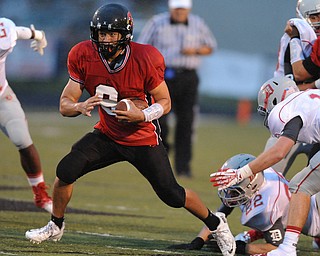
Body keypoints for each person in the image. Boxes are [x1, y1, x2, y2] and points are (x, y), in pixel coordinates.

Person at [24, 4, 235, 256]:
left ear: (125, 33)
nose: (106, 39)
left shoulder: (145, 57)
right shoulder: (82, 54)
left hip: (141, 138)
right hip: (108, 133)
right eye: (102, 33)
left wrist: (142, 114)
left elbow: (165, 102)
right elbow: (64, 104)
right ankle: (55, 225)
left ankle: (216, 223)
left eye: (112, 34)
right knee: (66, 170)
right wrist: (79, 105)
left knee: (172, 195)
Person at [210, 76, 320, 256]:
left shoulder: (285, 110)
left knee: (300, 186)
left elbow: (279, 152)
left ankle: (288, 249)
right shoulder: (307, 97)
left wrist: (243, 172)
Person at [169, 153, 320, 255]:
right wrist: (200, 239)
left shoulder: (266, 205)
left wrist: (242, 248)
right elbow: (221, 214)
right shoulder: (260, 179)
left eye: (233, 190)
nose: (229, 194)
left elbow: (278, 248)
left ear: (251, 185)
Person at [137, 0, 217, 177]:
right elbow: (141, 47)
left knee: (186, 123)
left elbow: (210, 46)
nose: (179, 12)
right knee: (159, 119)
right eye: (177, 9)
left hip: (188, 76)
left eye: (183, 9)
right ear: (171, 8)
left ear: (188, 9)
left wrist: (195, 50)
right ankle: (161, 156)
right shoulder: (157, 23)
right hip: (161, 76)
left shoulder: (198, 23)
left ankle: (183, 167)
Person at [0, 17, 52, 213]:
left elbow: (21, 32)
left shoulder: (5, 30)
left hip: (1, 95)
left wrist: (39, 35)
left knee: (22, 140)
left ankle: (40, 193)